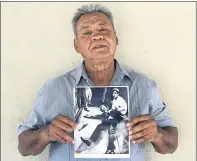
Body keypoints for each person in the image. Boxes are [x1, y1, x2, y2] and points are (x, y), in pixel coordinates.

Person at [18, 4, 178, 161]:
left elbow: (171, 145)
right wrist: (46, 133)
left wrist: (156, 134)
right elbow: (23, 147)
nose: (97, 36)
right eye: (87, 32)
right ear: (76, 46)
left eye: (104, 29)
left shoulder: (144, 86)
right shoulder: (54, 89)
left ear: (116, 38)